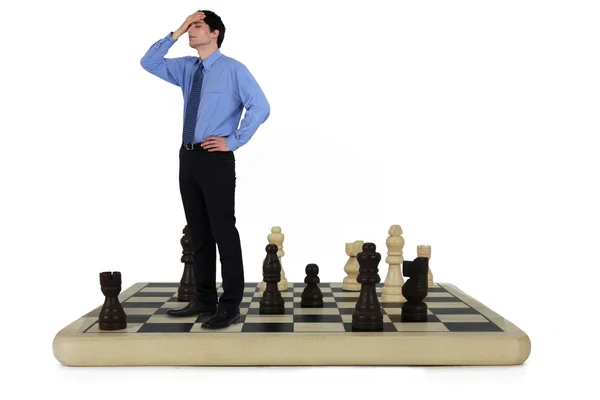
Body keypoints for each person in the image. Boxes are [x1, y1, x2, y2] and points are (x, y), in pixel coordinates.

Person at [140, 10, 270, 329]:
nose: (190, 32)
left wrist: (234, 140)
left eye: (197, 26)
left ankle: (230, 305)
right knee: (198, 231)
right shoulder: (186, 68)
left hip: (215, 158)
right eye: (189, 27)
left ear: (215, 33)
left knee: (223, 231)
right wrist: (177, 29)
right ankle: (204, 298)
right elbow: (149, 62)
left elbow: (261, 106)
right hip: (188, 157)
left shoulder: (233, 70)